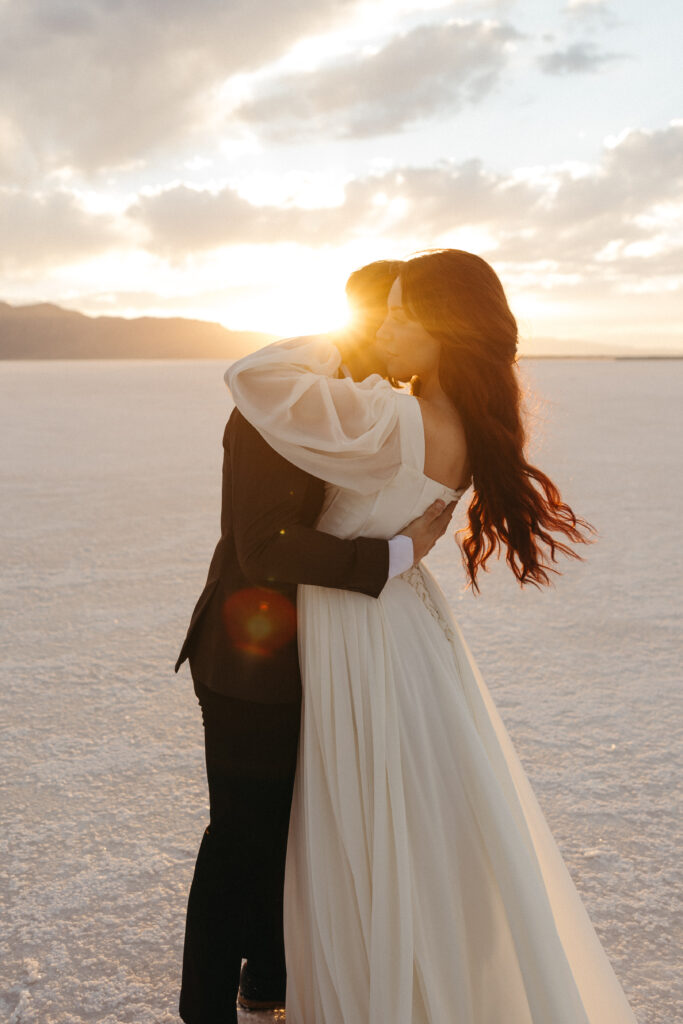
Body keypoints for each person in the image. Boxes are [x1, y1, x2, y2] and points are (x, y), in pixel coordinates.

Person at [226, 249, 638, 1023]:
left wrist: (337, 339)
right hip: (404, 623)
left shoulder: (395, 419)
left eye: (401, 312)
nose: (383, 323)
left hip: (359, 632)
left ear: (447, 331)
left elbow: (254, 376)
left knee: (365, 815)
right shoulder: (454, 422)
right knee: (414, 810)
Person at [174, 259, 456, 1024]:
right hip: (251, 658)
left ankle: (270, 980)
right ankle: (203, 1009)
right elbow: (262, 545)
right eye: (386, 320)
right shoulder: (283, 407)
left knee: (301, 829)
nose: (395, 336)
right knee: (242, 836)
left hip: (332, 655)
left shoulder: (366, 410)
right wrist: (395, 556)